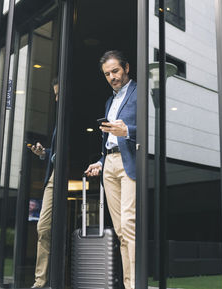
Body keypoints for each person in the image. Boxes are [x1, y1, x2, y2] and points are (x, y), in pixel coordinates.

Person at [85, 50, 137, 289]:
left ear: (126, 67)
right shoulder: (109, 101)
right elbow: (108, 141)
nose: (112, 77)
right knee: (119, 230)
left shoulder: (139, 91)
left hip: (130, 162)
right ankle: (129, 284)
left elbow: (150, 125)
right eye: (107, 74)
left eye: (115, 71)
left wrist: (127, 130)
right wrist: (100, 161)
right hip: (110, 164)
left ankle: (135, 283)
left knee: (128, 224)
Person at [30, 78, 58, 288]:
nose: (56, 99)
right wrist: (43, 153)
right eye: (55, 95)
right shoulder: (58, 119)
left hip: (74, 175)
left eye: (59, 94)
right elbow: (56, 153)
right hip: (54, 176)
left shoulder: (73, 116)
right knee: (43, 228)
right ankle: (40, 283)